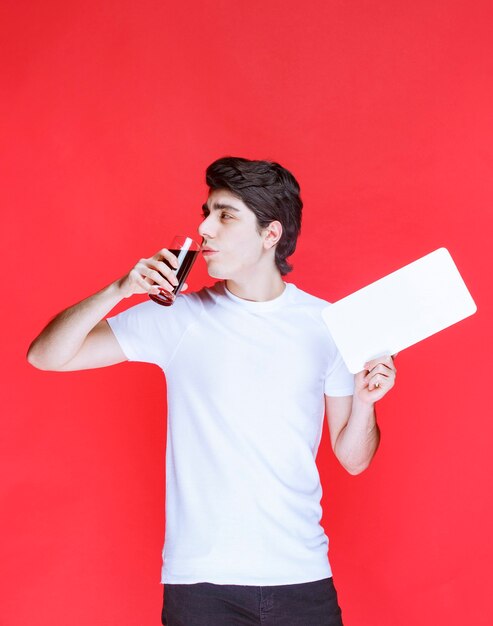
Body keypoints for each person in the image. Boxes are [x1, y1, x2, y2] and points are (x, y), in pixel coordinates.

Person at [28, 156, 396, 625]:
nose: (204, 229)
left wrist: (365, 404)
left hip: (302, 578)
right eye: (205, 212)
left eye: (225, 215)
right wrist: (119, 289)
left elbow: (354, 458)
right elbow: (46, 356)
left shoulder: (328, 325)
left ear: (270, 234)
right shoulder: (177, 317)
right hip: (201, 586)